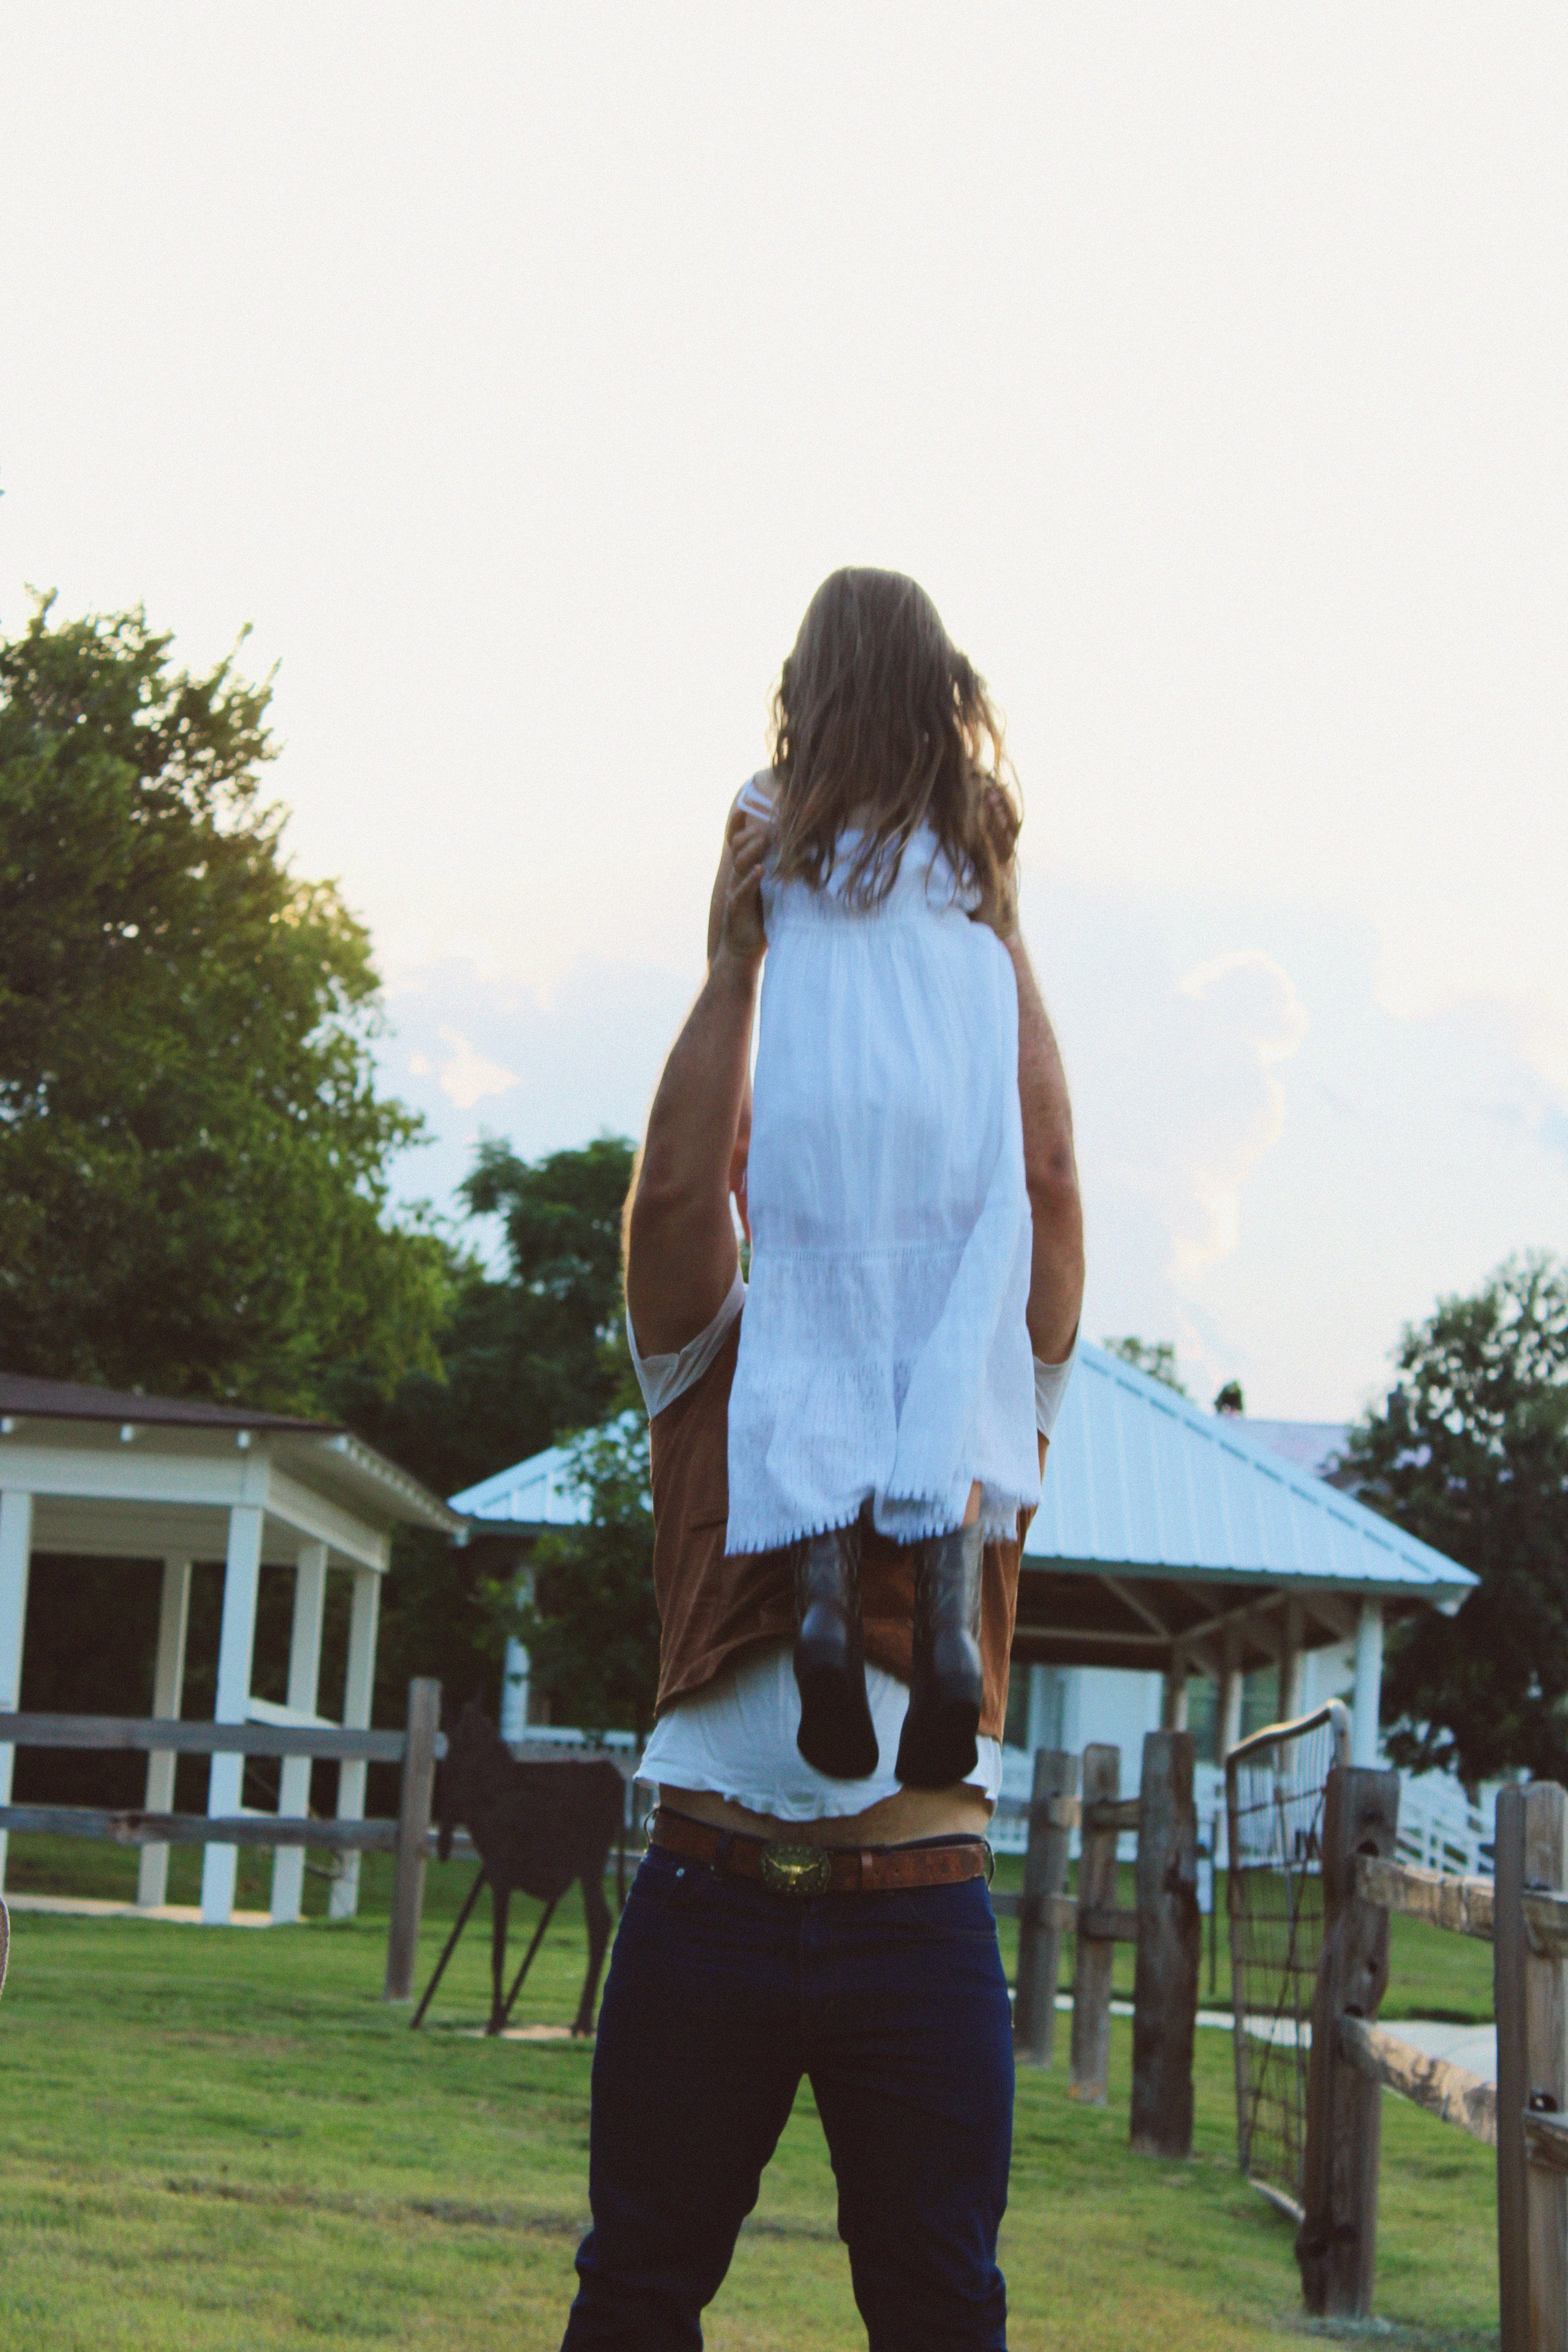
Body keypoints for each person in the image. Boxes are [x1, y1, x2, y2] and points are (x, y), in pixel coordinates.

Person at [559, 578, 1084, 2352]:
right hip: (706, 1890)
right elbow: (669, 1199)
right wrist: (737, 968)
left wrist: (987, 931)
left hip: (917, 1914)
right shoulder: (712, 1355)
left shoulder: (988, 1356)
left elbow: (1039, 1197)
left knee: (939, 2316)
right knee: (637, 2299)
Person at [716, 571, 1039, 1793]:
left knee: (814, 1335)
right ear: (931, 680)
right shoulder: (974, 821)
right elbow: (997, 947)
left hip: (817, 1104)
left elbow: (732, 948)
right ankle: (949, 1642)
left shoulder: (770, 812)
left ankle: (823, 1620)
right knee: (946, 1344)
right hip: (949, 1103)